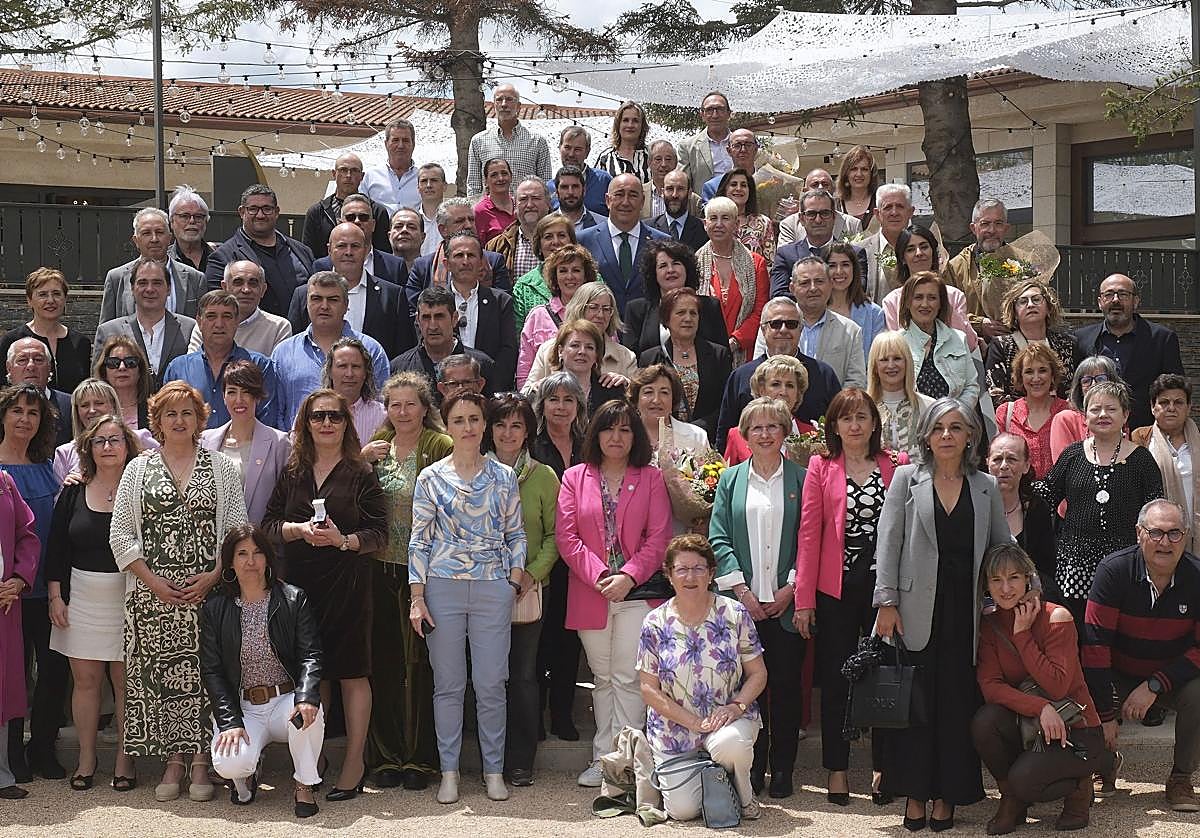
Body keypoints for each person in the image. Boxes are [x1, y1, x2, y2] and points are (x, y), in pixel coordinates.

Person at [873, 397, 1012, 830]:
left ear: (971, 435)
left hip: (965, 615)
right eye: (939, 428)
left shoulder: (986, 485)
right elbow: (888, 543)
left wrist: (1017, 593)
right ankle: (914, 794)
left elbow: (1001, 548)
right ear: (927, 436)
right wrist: (886, 602)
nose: (947, 435)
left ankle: (947, 796)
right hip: (913, 611)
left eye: (956, 428)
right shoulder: (905, 479)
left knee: (954, 708)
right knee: (916, 709)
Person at [109, 381, 248, 802]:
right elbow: (120, 535)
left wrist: (215, 575)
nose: (179, 420)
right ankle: (173, 759)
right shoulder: (137, 469)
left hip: (210, 595)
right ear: (158, 421)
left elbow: (237, 530)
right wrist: (153, 582)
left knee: (209, 675)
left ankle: (205, 760)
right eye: (170, 413)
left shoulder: (222, 467)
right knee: (162, 678)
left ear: (199, 419)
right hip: (154, 597)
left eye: (187, 413)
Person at [261, 389, 388, 801]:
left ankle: (354, 760)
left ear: (347, 424)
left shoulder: (360, 472)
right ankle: (311, 760)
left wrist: (342, 540)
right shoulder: (294, 470)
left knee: (351, 673)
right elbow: (266, 525)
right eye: (318, 417)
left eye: (335, 416)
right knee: (313, 676)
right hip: (300, 587)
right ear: (306, 424)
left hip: (348, 584)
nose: (327, 424)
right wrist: (298, 530)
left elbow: (379, 535)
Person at [407, 391, 526, 804]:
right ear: (448, 426)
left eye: (475, 419)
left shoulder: (504, 476)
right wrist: (416, 596)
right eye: (459, 420)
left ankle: (494, 771)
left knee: (492, 682)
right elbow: (418, 540)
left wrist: (512, 580)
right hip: (442, 586)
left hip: (493, 587)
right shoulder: (430, 478)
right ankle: (450, 771)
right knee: (449, 684)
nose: (468, 427)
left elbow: (517, 534)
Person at [794, 387, 907, 805]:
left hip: (884, 588)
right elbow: (808, 536)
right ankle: (837, 769)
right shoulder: (820, 467)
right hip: (835, 587)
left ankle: (884, 768)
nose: (855, 425)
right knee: (840, 676)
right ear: (835, 426)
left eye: (862, 417)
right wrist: (804, 599)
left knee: (882, 677)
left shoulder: (896, 465)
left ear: (874, 423)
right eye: (846, 418)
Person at [556, 399, 672, 787]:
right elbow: (567, 538)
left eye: (625, 429)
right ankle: (603, 758)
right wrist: (603, 575)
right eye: (609, 428)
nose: (616, 437)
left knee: (626, 675)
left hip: (636, 593)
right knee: (601, 677)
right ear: (596, 434)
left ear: (635, 435)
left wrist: (628, 577)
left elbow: (658, 539)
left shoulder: (651, 477)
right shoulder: (575, 477)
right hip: (592, 590)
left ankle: (629, 762)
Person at [972, 543, 1112, 833]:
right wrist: (1041, 708)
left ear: (1028, 578)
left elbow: (1058, 685)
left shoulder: (1056, 617)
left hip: (1078, 730)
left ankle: (1080, 786)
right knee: (985, 721)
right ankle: (1011, 798)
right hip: (1034, 723)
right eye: (996, 580)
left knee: (1027, 781)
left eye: (1013, 578)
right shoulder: (989, 625)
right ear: (986, 585)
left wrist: (1022, 635)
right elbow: (991, 688)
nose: (1006, 588)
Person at [709, 396, 806, 799]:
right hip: (740, 607)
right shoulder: (730, 480)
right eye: (756, 428)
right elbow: (718, 537)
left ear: (785, 432)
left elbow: (811, 538)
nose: (764, 434)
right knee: (746, 690)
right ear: (744, 435)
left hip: (787, 606)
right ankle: (753, 767)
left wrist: (792, 588)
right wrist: (743, 592)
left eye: (773, 426)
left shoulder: (803, 478)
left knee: (785, 689)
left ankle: (783, 769)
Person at [359, 372, 451, 791]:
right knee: (384, 664)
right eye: (394, 404)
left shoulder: (440, 447)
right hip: (379, 571)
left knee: (420, 667)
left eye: (410, 404)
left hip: (425, 576)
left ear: (425, 407)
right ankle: (386, 755)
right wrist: (361, 461)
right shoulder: (376, 449)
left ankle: (418, 758)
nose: (402, 412)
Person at [638, 533, 768, 822]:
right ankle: (711, 777)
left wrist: (736, 707)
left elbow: (758, 674)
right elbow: (648, 689)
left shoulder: (734, 613)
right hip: (675, 730)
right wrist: (694, 723)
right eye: (681, 569)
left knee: (728, 746)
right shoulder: (654, 623)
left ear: (711, 573)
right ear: (669, 575)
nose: (690, 576)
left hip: (728, 720)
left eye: (698, 568)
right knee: (683, 812)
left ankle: (744, 792)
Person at [1083, 498, 1200, 813]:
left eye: (1175, 533)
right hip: (1117, 674)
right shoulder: (1113, 571)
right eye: (1156, 533)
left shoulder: (1197, 577)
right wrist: (1106, 716)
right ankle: (1103, 765)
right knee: (1083, 687)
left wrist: (1154, 685)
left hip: (1170, 678)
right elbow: (1095, 648)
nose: (1165, 542)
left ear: (1186, 536)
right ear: (1139, 534)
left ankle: (1181, 778)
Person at [200, 525, 324, 818]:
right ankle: (245, 782)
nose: (250, 561)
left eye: (257, 553)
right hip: (243, 707)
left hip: (285, 701)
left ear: (268, 558)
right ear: (230, 562)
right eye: (241, 554)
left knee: (309, 715)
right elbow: (213, 670)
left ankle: (303, 783)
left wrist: (305, 696)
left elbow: (310, 654)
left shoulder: (293, 598)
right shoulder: (216, 607)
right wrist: (230, 721)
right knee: (231, 763)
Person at [46, 416, 143, 791]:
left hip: (128, 596)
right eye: (99, 440)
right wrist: (56, 596)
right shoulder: (73, 490)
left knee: (123, 683)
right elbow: (56, 548)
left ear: (127, 445)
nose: (107, 447)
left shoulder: (140, 490)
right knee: (85, 682)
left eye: (114, 440)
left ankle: (125, 760)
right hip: (81, 597)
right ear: (88, 447)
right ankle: (86, 759)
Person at [1035, 381, 1163, 629]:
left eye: (1111, 409)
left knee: (1120, 630)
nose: (1103, 415)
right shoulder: (1072, 455)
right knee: (1077, 631)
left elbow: (1154, 513)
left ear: (1125, 415)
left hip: (1125, 564)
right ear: (1084, 416)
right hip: (1075, 564)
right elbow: (1047, 495)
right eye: (1095, 409)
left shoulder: (1142, 460)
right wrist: (1017, 483)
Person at [484, 392, 561, 788]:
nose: (508, 432)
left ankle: (520, 761)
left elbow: (554, 536)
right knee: (484, 676)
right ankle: (486, 757)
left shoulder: (545, 477)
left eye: (516, 424)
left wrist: (531, 573)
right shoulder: (475, 472)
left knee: (523, 676)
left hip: (528, 591)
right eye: (500, 424)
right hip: (479, 590)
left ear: (528, 429)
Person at [0, 384, 65, 782]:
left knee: (54, 672)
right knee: (13, 674)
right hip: (9, 594)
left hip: (47, 588)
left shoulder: (48, 466)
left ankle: (42, 747)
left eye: (33, 412)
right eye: (17, 410)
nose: (25, 419)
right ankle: (10, 755)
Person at [529, 372, 588, 740]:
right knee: (538, 640)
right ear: (543, 405)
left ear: (578, 406)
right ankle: (534, 714)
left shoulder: (588, 445)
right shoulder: (533, 447)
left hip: (580, 558)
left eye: (569, 400)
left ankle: (563, 715)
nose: (561, 406)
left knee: (569, 640)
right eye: (554, 399)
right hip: (543, 556)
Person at [715, 296, 841, 451]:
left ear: (801, 329)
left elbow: (837, 428)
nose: (783, 330)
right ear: (763, 329)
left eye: (791, 324)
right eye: (775, 324)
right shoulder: (740, 377)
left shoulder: (824, 374)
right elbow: (725, 435)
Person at [270, 272, 390, 430]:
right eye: (316, 299)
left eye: (333, 299)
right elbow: (276, 412)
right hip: (297, 450)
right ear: (306, 303)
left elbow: (382, 407)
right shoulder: (283, 352)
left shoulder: (371, 350)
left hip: (360, 447)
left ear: (346, 305)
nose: (324, 306)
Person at [1074, 273, 1185, 431]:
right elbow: (1076, 389)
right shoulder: (1082, 339)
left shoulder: (1162, 339)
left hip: (1147, 433)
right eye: (1109, 294)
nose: (1116, 300)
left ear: (1136, 301)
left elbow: (1176, 389)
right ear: (1100, 302)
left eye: (1123, 294)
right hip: (1096, 432)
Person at [296, 219, 415, 361]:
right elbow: (296, 345)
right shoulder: (304, 294)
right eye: (341, 246)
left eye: (355, 246)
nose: (348, 252)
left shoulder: (392, 296)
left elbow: (403, 350)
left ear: (366, 250)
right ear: (329, 250)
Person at [162, 290, 279, 430]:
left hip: (246, 450)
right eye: (211, 316)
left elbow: (267, 421)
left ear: (237, 322)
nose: (219, 324)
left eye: (227, 316)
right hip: (193, 450)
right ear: (199, 322)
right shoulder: (177, 368)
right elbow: (168, 420)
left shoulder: (259, 366)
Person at [199, 361, 290, 526]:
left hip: (262, 545)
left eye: (246, 392)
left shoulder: (279, 442)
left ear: (257, 397)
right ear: (224, 397)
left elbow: (287, 501)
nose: (239, 400)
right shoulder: (205, 441)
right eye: (232, 392)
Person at [204, 185, 315, 317]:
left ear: (277, 211)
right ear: (241, 212)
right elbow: (219, 307)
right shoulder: (222, 257)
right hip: (255, 334)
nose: (260, 215)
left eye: (267, 209)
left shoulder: (302, 252)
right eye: (253, 209)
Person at [638, 288, 732, 439]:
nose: (688, 318)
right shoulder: (650, 358)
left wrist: (697, 428)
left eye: (693, 313)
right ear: (666, 319)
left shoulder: (718, 355)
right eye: (681, 313)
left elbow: (726, 403)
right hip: (663, 439)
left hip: (708, 439)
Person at [92, 257, 197, 389]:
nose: (149, 289)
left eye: (157, 283)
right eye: (142, 283)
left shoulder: (189, 329)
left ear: (169, 288)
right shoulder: (108, 332)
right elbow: (98, 384)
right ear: (132, 288)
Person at [575, 174, 671, 316]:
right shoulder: (584, 241)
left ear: (642, 201)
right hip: (600, 329)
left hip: (646, 330)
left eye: (633, 195)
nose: (625, 202)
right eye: (619, 195)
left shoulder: (662, 243)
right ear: (608, 200)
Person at [524, 282, 638, 394]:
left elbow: (638, 403)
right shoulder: (547, 350)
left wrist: (627, 386)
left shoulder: (626, 356)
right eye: (593, 307)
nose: (600, 315)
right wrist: (537, 389)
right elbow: (525, 394)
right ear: (579, 308)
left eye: (606, 309)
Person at [0, 465, 38, 800]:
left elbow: (26, 535)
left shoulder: (4, 483)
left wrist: (19, 578)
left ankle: (1, 774)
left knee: (1, 689)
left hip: (5, 605)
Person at [623, 238, 728, 358]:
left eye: (676, 264)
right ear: (654, 274)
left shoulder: (710, 306)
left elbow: (723, 356)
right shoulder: (636, 310)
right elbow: (629, 359)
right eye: (663, 266)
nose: (670, 270)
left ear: (687, 269)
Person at [440, 232, 518, 390]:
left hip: (489, 392)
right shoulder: (436, 302)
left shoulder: (501, 302)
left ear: (482, 262)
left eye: (471, 255)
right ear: (447, 263)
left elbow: (508, 352)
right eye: (459, 255)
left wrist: (488, 390)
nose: (465, 261)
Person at [403, 198, 512, 310]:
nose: (468, 225)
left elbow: (503, 307)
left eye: (471, 219)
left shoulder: (494, 261)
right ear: (443, 229)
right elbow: (412, 311)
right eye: (460, 221)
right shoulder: (422, 267)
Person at [987, 432, 1058, 604]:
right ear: (987, 462)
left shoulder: (1036, 508)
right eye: (997, 459)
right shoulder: (975, 506)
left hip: (1027, 600)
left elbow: (1046, 565)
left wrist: (1035, 591)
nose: (1004, 466)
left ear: (1026, 466)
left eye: (1011, 459)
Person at [881, 225, 978, 350]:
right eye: (910, 249)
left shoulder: (954, 296)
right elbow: (894, 348)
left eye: (924, 247)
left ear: (933, 252)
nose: (919, 253)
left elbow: (968, 345)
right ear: (902, 258)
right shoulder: (892, 301)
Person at [697, 196, 769, 364]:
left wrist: (735, 341)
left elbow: (761, 312)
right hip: (705, 353)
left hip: (745, 353)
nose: (719, 224)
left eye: (726, 218)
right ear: (705, 224)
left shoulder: (756, 263)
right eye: (713, 218)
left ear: (736, 225)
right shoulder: (694, 263)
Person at [99, 207, 205, 322]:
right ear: (136, 241)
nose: (154, 239)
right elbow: (106, 331)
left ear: (169, 238)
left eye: (159, 232)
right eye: (146, 233)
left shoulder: (195, 279)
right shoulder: (116, 278)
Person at [985, 279, 1081, 404]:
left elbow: (1078, 388)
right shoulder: (1001, 346)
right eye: (1023, 301)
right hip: (1018, 420)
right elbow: (995, 392)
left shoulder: (1068, 344)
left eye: (1036, 299)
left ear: (1048, 308)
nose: (1030, 305)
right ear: (1014, 312)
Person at [1133, 374, 1200, 552]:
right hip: (1158, 535)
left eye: (1178, 402)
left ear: (1189, 407)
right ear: (1153, 407)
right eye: (1164, 402)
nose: (1171, 408)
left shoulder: (1197, 442)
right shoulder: (1140, 439)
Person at [0, 267, 92, 393]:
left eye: (56, 294)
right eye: (42, 294)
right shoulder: (12, 341)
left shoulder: (81, 342)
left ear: (65, 299)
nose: (50, 301)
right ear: (29, 300)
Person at [517, 243, 596, 388]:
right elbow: (524, 370)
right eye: (563, 271)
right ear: (555, 276)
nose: (570, 276)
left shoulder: (597, 312)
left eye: (576, 270)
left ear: (586, 276)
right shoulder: (538, 315)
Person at [391, 286, 496, 393]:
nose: (433, 326)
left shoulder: (481, 365)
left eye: (439, 316)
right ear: (418, 320)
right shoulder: (400, 368)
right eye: (426, 317)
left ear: (455, 319)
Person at [53, 378, 157, 483]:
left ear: (112, 405)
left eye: (99, 403)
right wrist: (66, 489)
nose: (92, 410)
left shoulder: (139, 439)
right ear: (77, 411)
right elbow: (58, 498)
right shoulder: (64, 453)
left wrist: (154, 463)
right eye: (84, 405)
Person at [900, 271, 979, 407]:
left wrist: (953, 415)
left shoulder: (959, 339)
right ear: (907, 302)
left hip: (953, 421)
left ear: (940, 303)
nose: (925, 304)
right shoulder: (897, 343)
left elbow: (971, 387)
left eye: (932, 298)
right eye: (918, 297)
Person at [769, 189, 867, 298]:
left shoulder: (855, 254)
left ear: (834, 217)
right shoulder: (785, 255)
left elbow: (857, 291)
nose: (818, 220)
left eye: (825, 213)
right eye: (811, 214)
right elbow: (778, 295)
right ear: (801, 219)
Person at [993, 343, 1069, 479]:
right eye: (1029, 372)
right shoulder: (1006, 414)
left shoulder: (1068, 413)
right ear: (1020, 377)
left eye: (1042, 370)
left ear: (1052, 375)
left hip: (1062, 498)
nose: (1036, 378)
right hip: (1018, 497)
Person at [721, 355, 814, 466]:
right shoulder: (737, 435)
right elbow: (729, 479)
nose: (783, 392)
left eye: (790, 385)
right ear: (762, 390)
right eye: (776, 384)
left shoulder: (812, 434)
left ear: (798, 393)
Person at [465, 84, 552, 199]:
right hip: (490, 213)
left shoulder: (537, 142)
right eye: (499, 100)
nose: (504, 104)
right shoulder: (478, 141)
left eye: (509, 99)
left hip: (526, 211)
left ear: (519, 106)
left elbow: (545, 185)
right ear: (494, 105)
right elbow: (474, 186)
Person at [943, 199, 1015, 336]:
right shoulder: (955, 267)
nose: (992, 230)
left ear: (1006, 228)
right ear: (973, 228)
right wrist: (978, 324)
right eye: (985, 224)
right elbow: (947, 310)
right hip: (973, 347)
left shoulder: (1021, 261)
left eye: (998, 224)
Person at [191, 261, 292, 357]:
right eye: (238, 282)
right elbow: (191, 366)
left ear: (263, 290)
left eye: (253, 283)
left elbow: (276, 372)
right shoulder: (206, 323)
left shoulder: (279, 327)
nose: (246, 290)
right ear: (225, 287)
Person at [303, 153, 393, 258]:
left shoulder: (376, 211)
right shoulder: (317, 212)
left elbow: (383, 253)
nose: (348, 175)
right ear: (334, 173)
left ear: (362, 176)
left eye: (354, 171)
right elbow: (308, 253)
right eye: (343, 170)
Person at [867, 330, 935, 458]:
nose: (891, 365)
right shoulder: (863, 409)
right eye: (884, 360)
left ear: (907, 362)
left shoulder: (929, 407)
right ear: (875, 366)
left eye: (897, 358)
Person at [629, 364, 709, 470]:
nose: (656, 400)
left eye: (664, 392)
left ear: (673, 400)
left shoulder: (696, 436)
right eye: (648, 392)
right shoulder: (624, 435)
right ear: (636, 400)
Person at [511, 214, 579, 333]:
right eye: (548, 237)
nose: (556, 242)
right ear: (539, 244)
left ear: (571, 241)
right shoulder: (524, 286)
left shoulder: (591, 277)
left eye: (562, 235)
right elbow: (517, 334)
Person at [542, 320, 626, 414]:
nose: (582, 351)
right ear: (560, 351)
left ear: (596, 355)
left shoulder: (612, 390)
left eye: (589, 347)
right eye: (575, 345)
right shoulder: (544, 390)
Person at [1049, 355, 1124, 461]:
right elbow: (1065, 466)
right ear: (1079, 388)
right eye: (1086, 380)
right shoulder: (1065, 419)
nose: (1093, 384)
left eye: (1101, 378)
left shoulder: (1117, 416)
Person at [320, 337, 385, 446]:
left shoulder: (382, 416)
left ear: (365, 373)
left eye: (356, 367)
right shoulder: (312, 413)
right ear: (330, 371)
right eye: (342, 366)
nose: (349, 374)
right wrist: (363, 457)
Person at [486, 177, 551, 280]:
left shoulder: (563, 241)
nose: (529, 205)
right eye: (523, 199)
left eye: (536, 198)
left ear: (548, 203)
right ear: (515, 206)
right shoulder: (496, 246)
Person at [548, 125, 611, 217]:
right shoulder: (549, 188)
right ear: (559, 148)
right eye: (567, 148)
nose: (571, 154)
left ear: (587, 152)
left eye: (577, 149)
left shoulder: (604, 181)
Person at [715, 167, 775, 263]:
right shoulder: (714, 221)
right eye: (733, 184)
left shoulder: (763, 223)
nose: (739, 189)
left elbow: (770, 263)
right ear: (725, 190)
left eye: (743, 185)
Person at [360, 118, 420, 213]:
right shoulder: (370, 176)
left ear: (413, 144)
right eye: (395, 140)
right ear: (386, 144)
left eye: (405, 140)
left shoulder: (423, 178)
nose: (400, 145)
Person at [92, 337, 152, 430]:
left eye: (130, 362)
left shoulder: (155, 409)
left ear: (140, 370)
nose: (122, 367)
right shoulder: (94, 410)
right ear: (104, 371)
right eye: (113, 362)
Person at [678, 91, 734, 190]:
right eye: (709, 110)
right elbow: (683, 185)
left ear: (729, 114)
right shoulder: (687, 147)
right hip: (704, 204)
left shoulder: (743, 144)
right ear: (702, 115)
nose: (715, 115)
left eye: (720, 109)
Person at [649, 169, 709, 251]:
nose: (674, 195)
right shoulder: (648, 228)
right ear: (662, 193)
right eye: (670, 189)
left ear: (689, 193)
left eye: (680, 189)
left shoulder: (704, 230)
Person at [643, 140, 700, 221]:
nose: (663, 164)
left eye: (668, 159)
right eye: (658, 159)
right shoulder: (639, 194)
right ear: (649, 163)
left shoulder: (693, 200)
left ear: (676, 162)